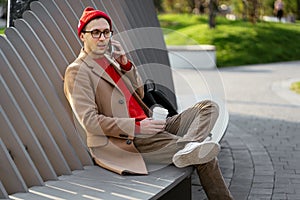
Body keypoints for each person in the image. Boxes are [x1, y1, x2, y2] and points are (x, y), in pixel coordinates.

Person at [64, 7, 233, 199]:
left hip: (154, 124)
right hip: (133, 140)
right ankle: (191, 148)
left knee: (208, 107)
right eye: (95, 32)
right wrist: (137, 127)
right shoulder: (77, 71)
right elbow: (90, 122)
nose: (102, 37)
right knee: (205, 156)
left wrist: (125, 64)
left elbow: (140, 93)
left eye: (106, 32)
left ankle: (187, 147)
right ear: (82, 36)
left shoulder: (111, 62)